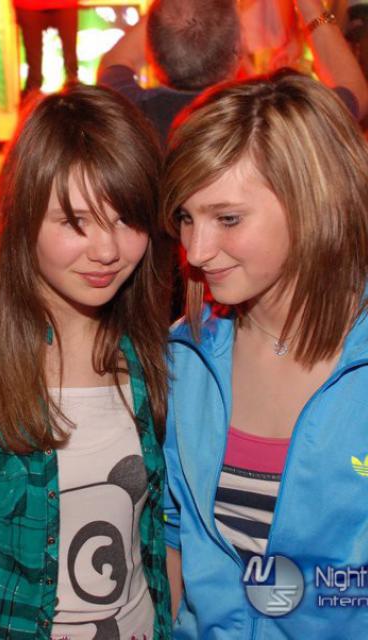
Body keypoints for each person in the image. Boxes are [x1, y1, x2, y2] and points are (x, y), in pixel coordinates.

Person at [0, 83, 173, 639]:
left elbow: (165, 542)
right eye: (75, 221)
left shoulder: (152, 349)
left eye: (126, 219)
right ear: (22, 217)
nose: (107, 250)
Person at [161, 70, 368, 637]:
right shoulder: (187, 358)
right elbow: (175, 541)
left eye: (228, 218)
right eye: (186, 218)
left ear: (312, 202)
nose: (196, 251)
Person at [98, 0, 368, 144]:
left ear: (150, 51)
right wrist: (310, 7)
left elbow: (114, 60)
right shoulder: (271, 123)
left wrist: (174, 9)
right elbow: (354, 90)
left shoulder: (129, 115)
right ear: (238, 49)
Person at [14, 0, 78, 98]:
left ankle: (74, 90)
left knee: (71, 61)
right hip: (28, 5)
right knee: (33, 63)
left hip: (64, 4)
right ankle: (32, 94)